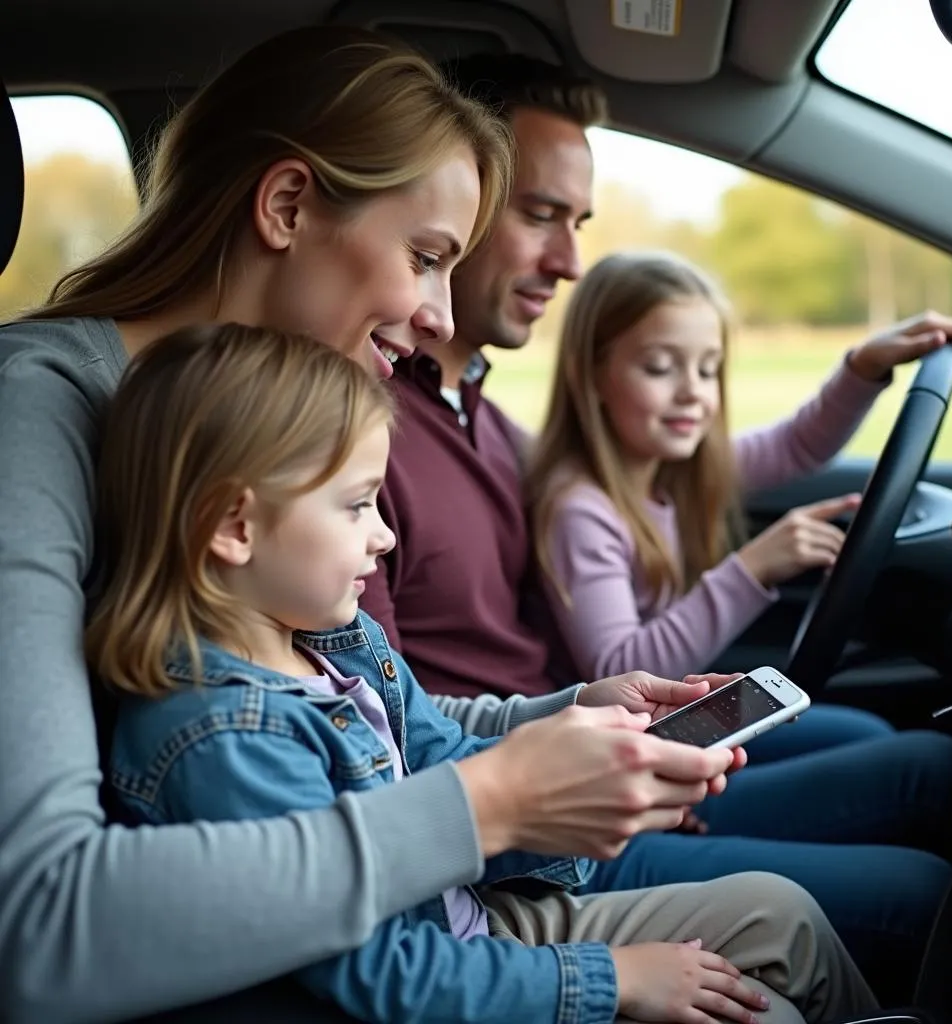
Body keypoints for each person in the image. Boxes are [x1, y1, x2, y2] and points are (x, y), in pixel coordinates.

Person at [0, 28, 739, 1024]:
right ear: (289, 205)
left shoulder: (270, 448)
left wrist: (554, 726)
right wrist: (490, 804)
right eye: (427, 257)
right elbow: (41, 925)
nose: (441, 317)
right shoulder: (31, 422)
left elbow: (351, 711)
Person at [357, 51, 952, 1002]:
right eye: (539, 214)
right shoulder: (359, 448)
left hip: (589, 765)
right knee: (927, 877)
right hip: (544, 841)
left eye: (579, 224)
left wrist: (860, 369)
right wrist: (585, 780)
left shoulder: (482, 423)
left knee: (925, 758)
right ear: (458, 203)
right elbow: (388, 739)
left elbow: (751, 455)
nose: (568, 261)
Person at [91, 321, 879, 1024]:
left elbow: (453, 770)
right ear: (235, 526)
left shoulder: (335, 640)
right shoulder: (222, 738)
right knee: (759, 1008)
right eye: (358, 505)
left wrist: (593, 794)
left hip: (470, 919)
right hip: (435, 968)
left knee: (782, 914)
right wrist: (615, 980)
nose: (385, 538)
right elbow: (380, 972)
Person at [528, 250, 952, 685]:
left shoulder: (679, 471)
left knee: (869, 734)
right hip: (629, 743)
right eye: (660, 367)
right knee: (917, 758)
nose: (693, 391)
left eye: (708, 370)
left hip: (671, 720)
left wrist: (864, 366)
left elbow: (798, 445)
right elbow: (619, 672)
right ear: (590, 374)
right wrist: (752, 568)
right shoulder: (581, 510)